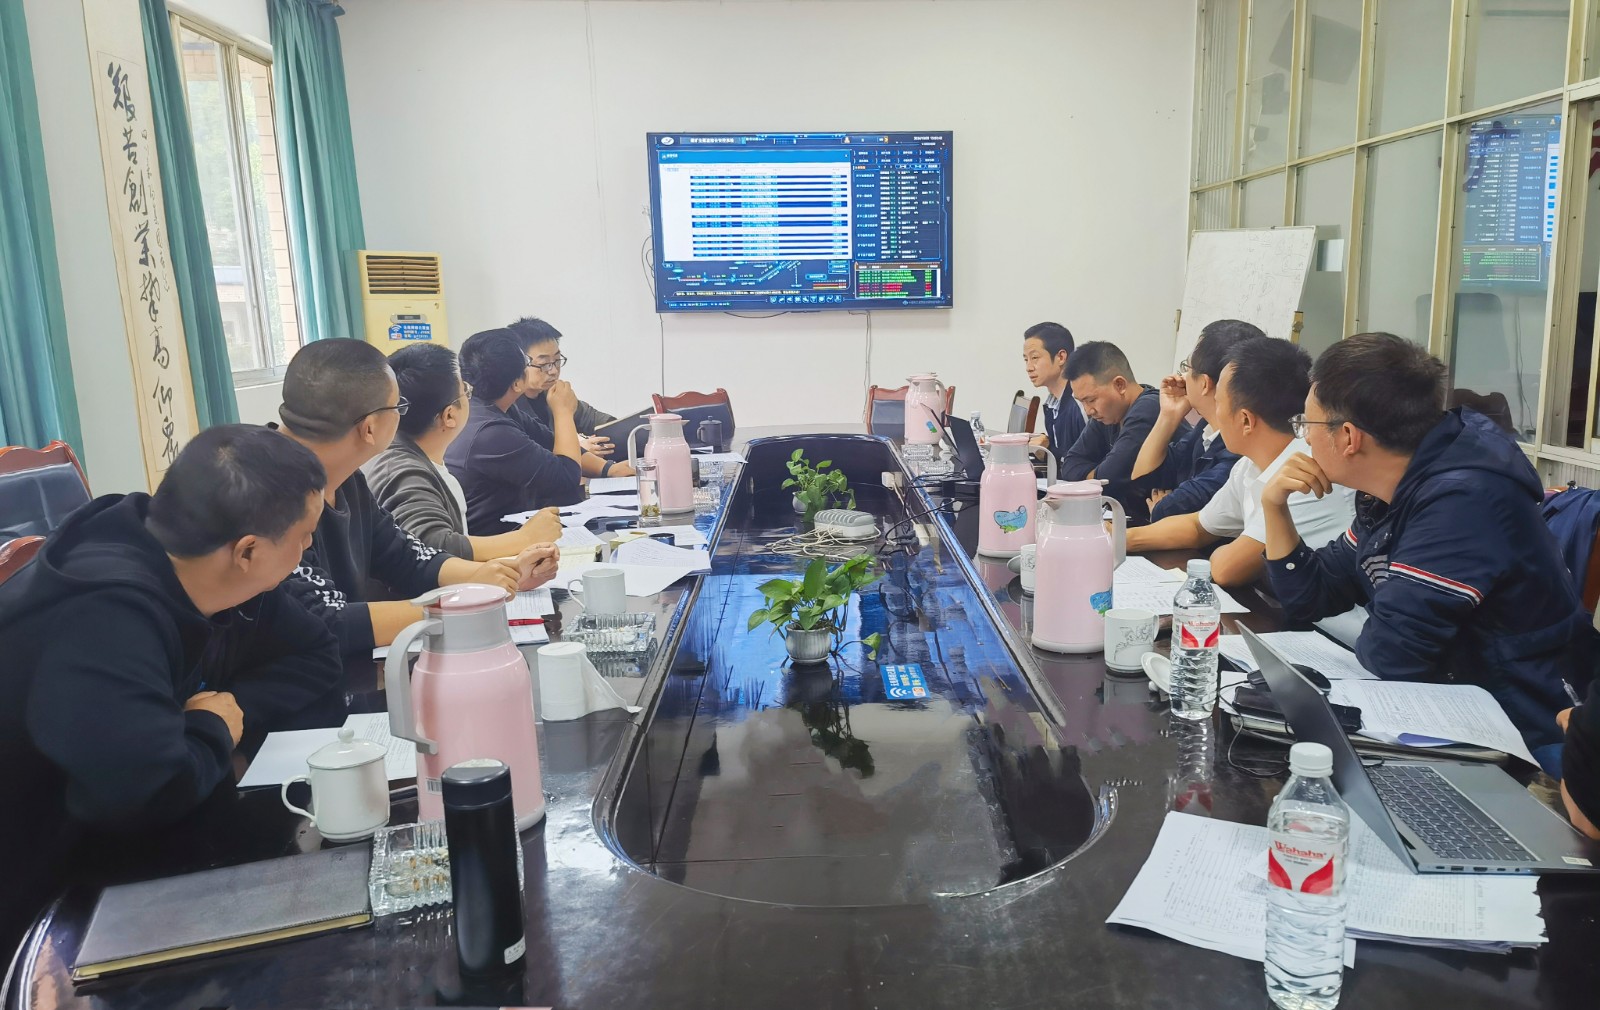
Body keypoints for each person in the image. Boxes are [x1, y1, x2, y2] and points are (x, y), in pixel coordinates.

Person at [0, 425, 340, 951]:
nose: (309, 547)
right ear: (248, 551)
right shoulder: (106, 614)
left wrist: (227, 712)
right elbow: (145, 792)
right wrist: (210, 728)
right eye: (304, 535)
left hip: (120, 852)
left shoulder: (209, 564)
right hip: (44, 903)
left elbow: (317, 652)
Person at [1260, 332, 1589, 770]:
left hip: (1524, 730)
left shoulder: (1463, 500)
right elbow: (1311, 596)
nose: (1304, 440)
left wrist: (1382, 621)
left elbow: (1394, 655)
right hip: (1454, 707)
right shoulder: (1398, 485)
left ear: (1349, 437)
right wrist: (1273, 507)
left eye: (1308, 425)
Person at [277, 339, 549, 657]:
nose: (402, 417)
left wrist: (489, 576)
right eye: (398, 407)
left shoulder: (345, 477)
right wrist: (458, 601)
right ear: (370, 428)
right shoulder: (272, 497)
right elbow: (326, 620)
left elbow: (403, 554)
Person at [1125, 338, 1355, 587]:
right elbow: (1198, 526)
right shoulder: (1248, 466)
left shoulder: (1305, 473)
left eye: (1218, 404)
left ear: (1245, 420)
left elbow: (1227, 570)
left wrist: (1220, 553)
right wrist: (1119, 537)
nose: (1214, 414)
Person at [364, 342, 564, 560]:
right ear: (449, 416)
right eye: (465, 391)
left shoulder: (406, 454)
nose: (470, 396)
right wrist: (525, 538)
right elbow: (430, 547)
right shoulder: (403, 471)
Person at [447, 328, 587, 535]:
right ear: (517, 383)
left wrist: (609, 470)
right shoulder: (491, 432)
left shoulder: (492, 407)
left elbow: (548, 442)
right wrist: (563, 412)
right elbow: (566, 478)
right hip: (495, 542)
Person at [1133, 319, 1263, 521]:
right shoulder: (1205, 429)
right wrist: (1169, 415)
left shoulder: (1241, 447)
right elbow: (1143, 480)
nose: (1182, 376)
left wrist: (1161, 508)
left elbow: (1167, 509)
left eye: (1187, 367)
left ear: (1204, 383)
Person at [1058, 341, 1190, 521]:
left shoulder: (1148, 409)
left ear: (1119, 385)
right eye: (1082, 402)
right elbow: (1070, 464)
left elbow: (1108, 482)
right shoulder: (1108, 414)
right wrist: (1098, 476)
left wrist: (1096, 476)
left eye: (1091, 400)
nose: (1088, 410)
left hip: (1166, 522)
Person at [504, 317, 634, 478]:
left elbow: (599, 421)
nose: (553, 371)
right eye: (544, 364)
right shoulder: (510, 407)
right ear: (519, 363)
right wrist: (577, 447)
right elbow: (541, 457)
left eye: (557, 361)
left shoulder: (553, 393)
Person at [1022, 321, 1085, 459]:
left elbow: (1087, 461)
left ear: (1061, 357)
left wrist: (1048, 451)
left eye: (1034, 358)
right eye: (1026, 360)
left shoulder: (1081, 402)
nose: (1029, 368)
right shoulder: (1051, 403)